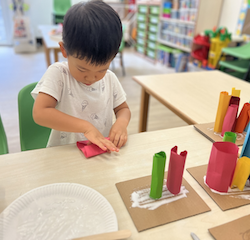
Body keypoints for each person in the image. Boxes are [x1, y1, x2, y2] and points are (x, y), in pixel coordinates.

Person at [32, 0, 131, 153]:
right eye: (82, 70)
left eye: (101, 70)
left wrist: (121, 123)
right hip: (64, 155)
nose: (91, 78)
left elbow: (123, 109)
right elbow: (40, 113)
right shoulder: (59, 74)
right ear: (64, 51)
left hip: (99, 151)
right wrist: (85, 127)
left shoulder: (110, 78)